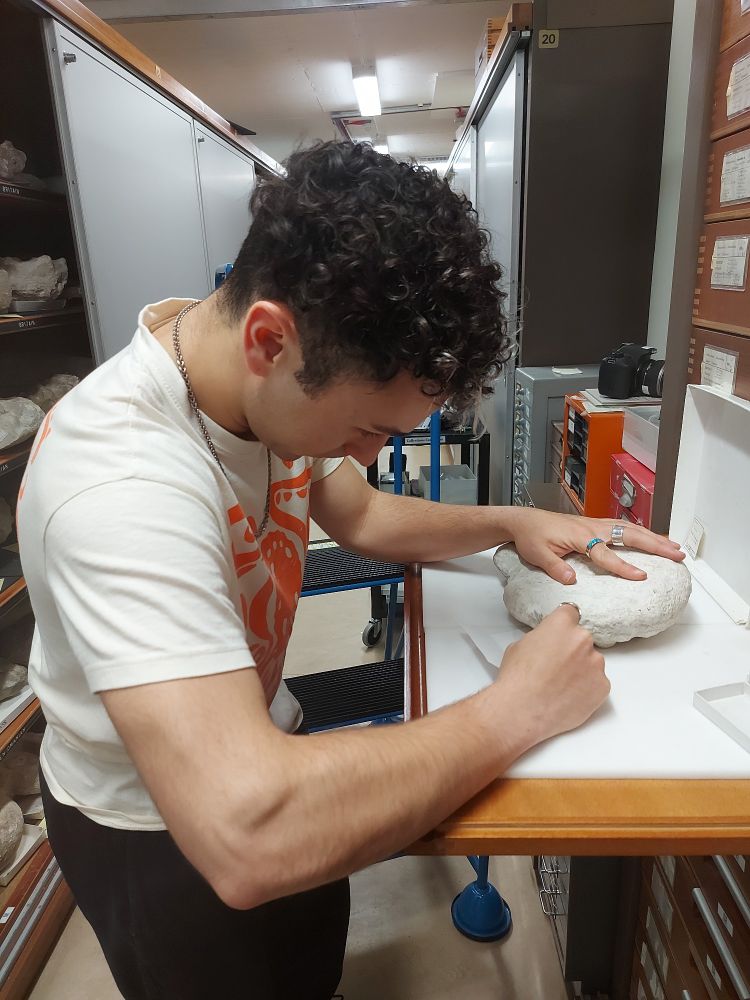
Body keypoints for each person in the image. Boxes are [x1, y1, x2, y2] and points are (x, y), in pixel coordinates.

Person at [17, 141, 683, 1000]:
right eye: (368, 428)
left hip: (267, 738)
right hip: (155, 829)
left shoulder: (254, 376)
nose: (369, 454)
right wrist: (515, 709)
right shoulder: (121, 485)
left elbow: (361, 512)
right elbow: (246, 834)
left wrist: (514, 522)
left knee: (308, 966)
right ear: (268, 340)